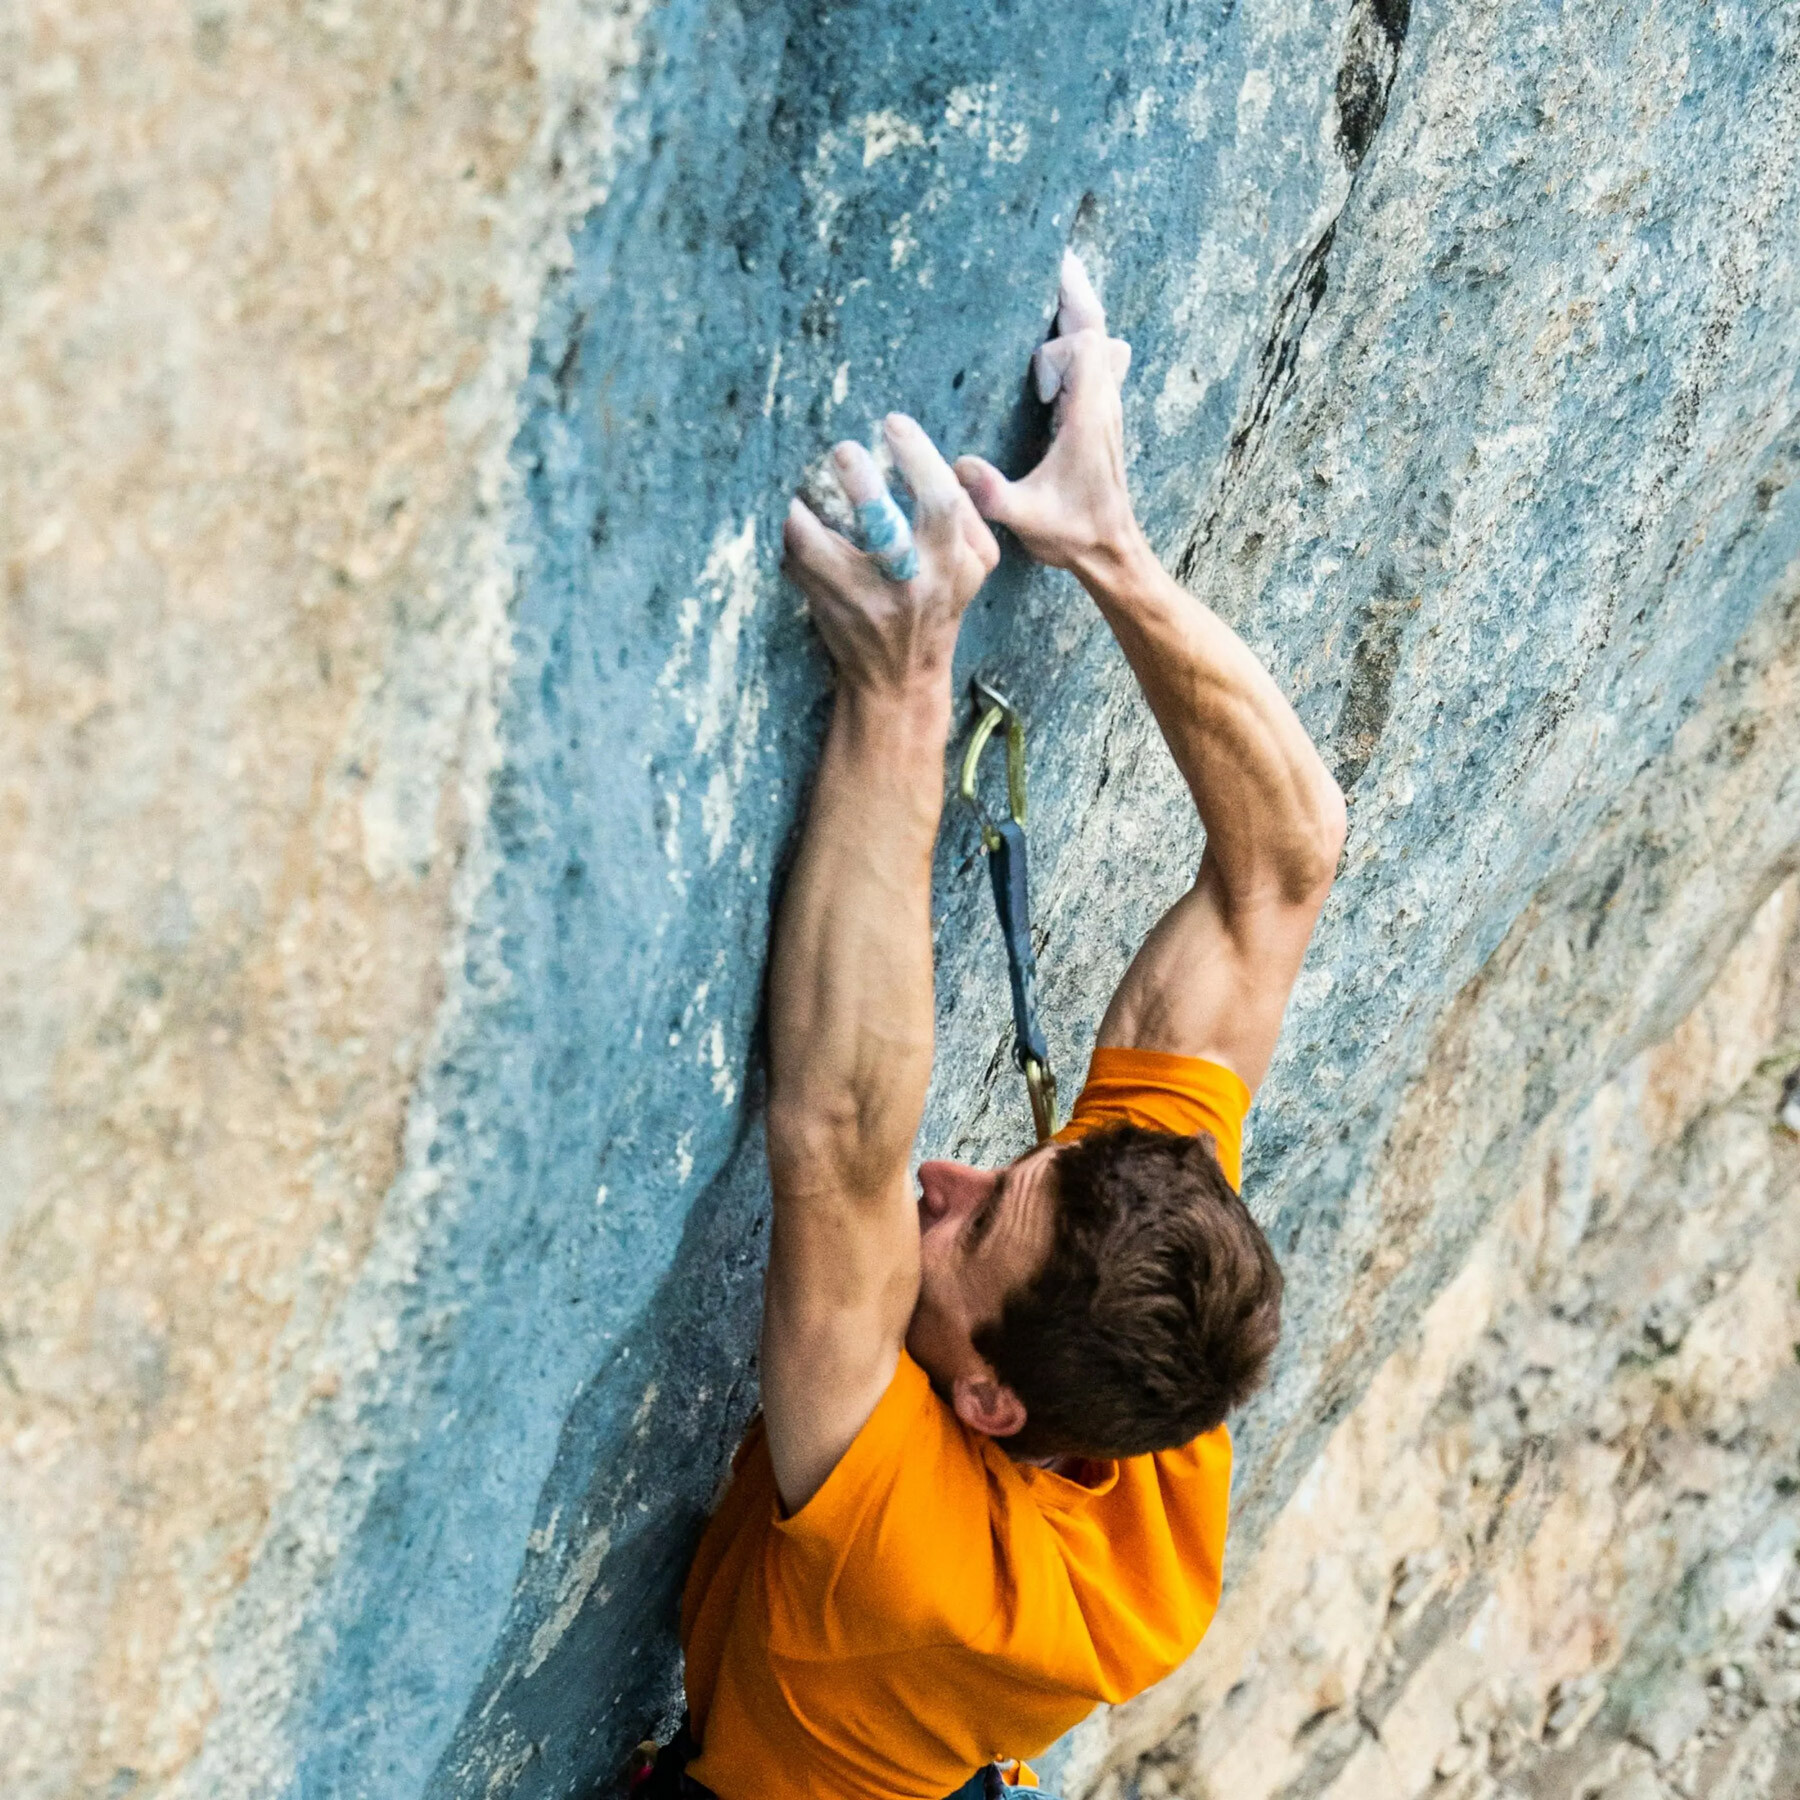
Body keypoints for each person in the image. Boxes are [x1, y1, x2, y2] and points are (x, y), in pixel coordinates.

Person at [664, 253, 1346, 1799]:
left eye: (966, 1234)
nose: (950, 1185)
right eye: (1013, 1173)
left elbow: (842, 1141)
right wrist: (1107, 541)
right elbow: (1284, 864)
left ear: (985, 1403)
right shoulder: (1134, 1296)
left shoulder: (913, 1558)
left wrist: (904, 691)